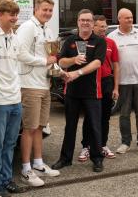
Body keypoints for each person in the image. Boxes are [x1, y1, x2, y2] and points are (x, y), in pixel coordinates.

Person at [52, 9, 106, 172]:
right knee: (70, 126)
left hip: (92, 92)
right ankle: (65, 158)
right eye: (82, 20)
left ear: (93, 23)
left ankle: (97, 158)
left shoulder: (99, 41)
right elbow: (61, 62)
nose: (85, 23)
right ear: (78, 22)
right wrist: (73, 60)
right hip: (72, 92)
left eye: (88, 20)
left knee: (95, 126)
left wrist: (77, 72)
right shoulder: (70, 41)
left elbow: (97, 63)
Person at [16, 0, 60, 187]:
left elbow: (51, 57)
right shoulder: (27, 27)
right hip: (29, 85)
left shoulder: (48, 30)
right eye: (45, 9)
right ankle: (26, 169)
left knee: (40, 127)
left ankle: (38, 163)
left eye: (50, 10)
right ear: (36, 9)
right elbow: (21, 54)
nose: (48, 13)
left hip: (44, 84)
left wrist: (59, 71)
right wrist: (45, 62)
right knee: (29, 128)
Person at [0, 0, 24, 196]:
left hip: (15, 100)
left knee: (10, 144)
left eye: (16, 14)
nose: (15, 18)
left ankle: (7, 179)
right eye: (11, 14)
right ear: (0, 15)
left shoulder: (16, 38)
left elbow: (20, 64)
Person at [108, 8, 138, 156]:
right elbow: (109, 60)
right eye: (127, 18)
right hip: (122, 82)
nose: (130, 20)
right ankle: (125, 142)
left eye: (131, 17)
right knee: (124, 114)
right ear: (119, 19)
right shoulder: (112, 37)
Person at [78, 14, 119, 162]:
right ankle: (86, 146)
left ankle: (102, 145)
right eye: (100, 26)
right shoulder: (86, 42)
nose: (103, 29)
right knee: (89, 117)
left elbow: (116, 65)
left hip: (107, 82)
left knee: (105, 117)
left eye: (105, 26)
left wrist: (116, 87)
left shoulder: (111, 43)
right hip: (91, 82)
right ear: (93, 26)